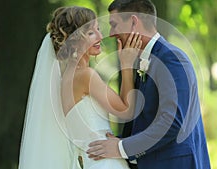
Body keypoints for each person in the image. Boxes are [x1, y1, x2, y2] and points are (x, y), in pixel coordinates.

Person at [87, 0, 211, 169]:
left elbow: (172, 121)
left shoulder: (171, 58)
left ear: (133, 22)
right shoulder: (141, 60)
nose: (111, 33)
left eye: (114, 25)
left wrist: (121, 148)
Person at [19, 6, 142, 169]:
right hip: (104, 162)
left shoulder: (65, 79)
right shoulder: (85, 76)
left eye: (98, 29)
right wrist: (126, 65)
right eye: (91, 33)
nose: (100, 36)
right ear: (74, 40)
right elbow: (126, 110)